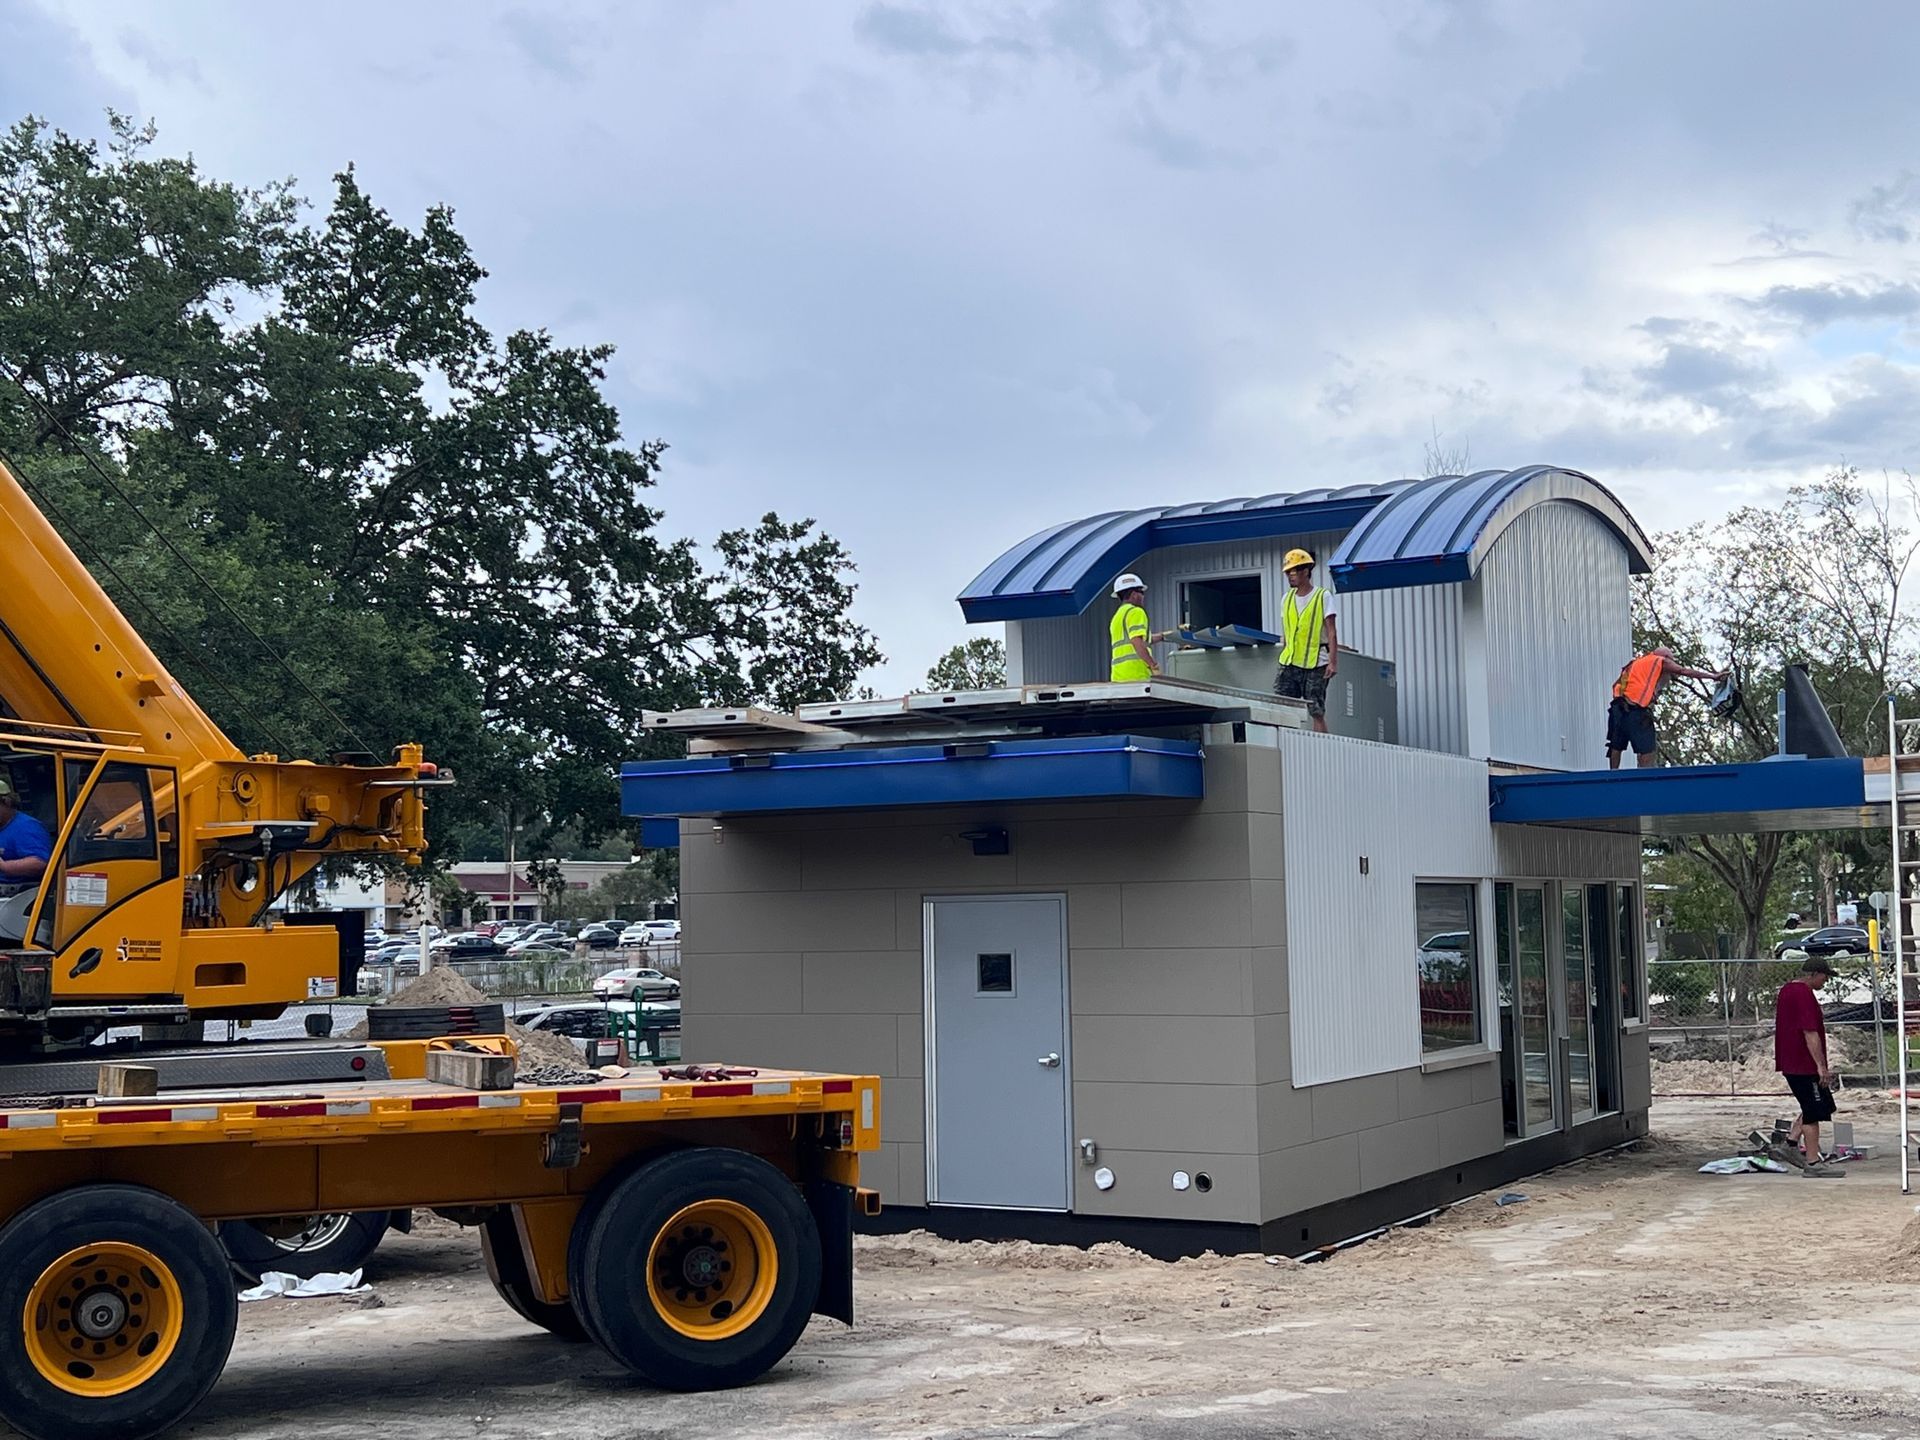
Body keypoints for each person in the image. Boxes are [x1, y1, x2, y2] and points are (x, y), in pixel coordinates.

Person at [1605, 646, 1728, 769]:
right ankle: (1645, 777)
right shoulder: (1660, 660)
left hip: (1618, 707)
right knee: (1647, 748)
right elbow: (1683, 671)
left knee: (1616, 745)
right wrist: (1713, 676)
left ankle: (1612, 775)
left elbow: (1622, 684)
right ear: (1667, 657)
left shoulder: (1636, 663)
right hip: (1635, 710)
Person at [1775, 955, 1838, 1164]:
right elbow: (1810, 1032)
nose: (1825, 981)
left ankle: (1791, 1143)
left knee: (1823, 1105)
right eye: (1824, 977)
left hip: (1793, 1062)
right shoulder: (1803, 994)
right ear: (1814, 974)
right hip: (1803, 1065)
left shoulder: (1787, 990)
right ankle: (1812, 1162)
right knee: (1813, 1112)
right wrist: (1821, 1066)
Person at [1273, 548, 1337, 734]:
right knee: (1281, 704)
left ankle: (1321, 748)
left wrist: (1332, 662)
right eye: (1287, 572)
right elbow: (1287, 631)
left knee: (1315, 709)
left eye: (1292, 572)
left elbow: (1331, 632)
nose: (1289, 576)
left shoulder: (1322, 596)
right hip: (1290, 661)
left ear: (1306, 571)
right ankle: (1284, 743)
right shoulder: (1286, 599)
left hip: (1315, 662)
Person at [1108, 573, 1174, 681]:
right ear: (1134, 594)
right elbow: (1136, 641)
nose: (1143, 596)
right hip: (1136, 675)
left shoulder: (1117, 616)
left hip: (1119, 677)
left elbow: (1139, 640)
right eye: (1142, 592)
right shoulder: (1136, 611)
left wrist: (1162, 636)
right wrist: (1153, 665)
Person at [0, 777, 51, 884]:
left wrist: (4, 866)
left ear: (7, 802)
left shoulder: (26, 827)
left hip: (17, 894)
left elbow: (38, 864)